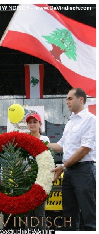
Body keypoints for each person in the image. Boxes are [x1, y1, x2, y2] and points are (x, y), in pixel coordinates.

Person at [48, 88, 96, 231]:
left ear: (81, 99)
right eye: (67, 98)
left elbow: (85, 148)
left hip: (84, 171)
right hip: (69, 172)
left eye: (70, 98)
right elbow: (61, 145)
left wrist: (63, 166)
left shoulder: (91, 120)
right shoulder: (70, 122)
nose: (66, 101)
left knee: (89, 215)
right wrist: (37, 143)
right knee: (69, 215)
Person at [26, 113, 50, 231]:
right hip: (26, 180)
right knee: (27, 213)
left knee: (40, 213)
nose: (32, 124)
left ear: (40, 124)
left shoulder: (45, 139)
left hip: (40, 180)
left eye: (35, 122)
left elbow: (47, 160)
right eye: (30, 122)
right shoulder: (24, 140)